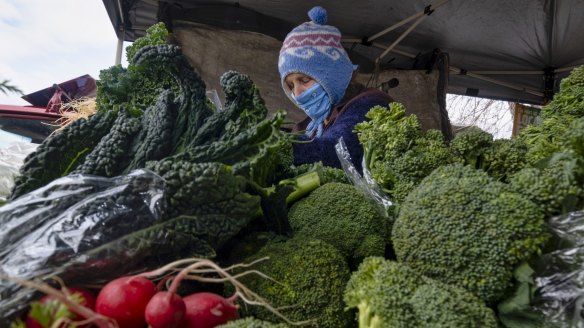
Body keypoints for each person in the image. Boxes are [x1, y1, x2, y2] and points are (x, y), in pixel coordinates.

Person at [278, 6, 393, 173]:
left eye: (304, 80)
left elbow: (337, 152)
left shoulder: (371, 104)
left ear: (332, 75)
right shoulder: (310, 124)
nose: (297, 93)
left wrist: (266, 145)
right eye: (290, 85)